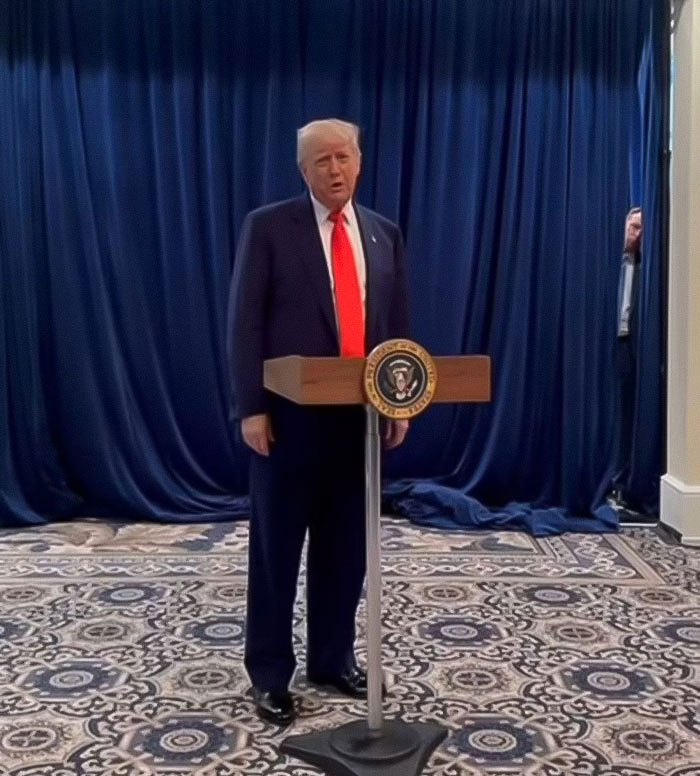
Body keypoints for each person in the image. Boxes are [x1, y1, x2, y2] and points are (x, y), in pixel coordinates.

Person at [226, 119, 410, 725]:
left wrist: (397, 402)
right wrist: (250, 405)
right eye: (321, 162)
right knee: (276, 551)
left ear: (360, 160)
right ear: (302, 171)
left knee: (346, 550)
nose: (335, 170)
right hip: (286, 422)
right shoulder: (270, 227)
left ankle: (332, 659)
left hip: (357, 425)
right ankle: (270, 675)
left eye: (344, 157)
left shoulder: (384, 234)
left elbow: (397, 331)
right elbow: (245, 322)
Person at [609, 206, 642, 512]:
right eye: (632, 227)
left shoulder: (647, 268)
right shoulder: (614, 261)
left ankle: (625, 483)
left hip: (631, 342)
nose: (636, 234)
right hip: (611, 341)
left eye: (641, 229)